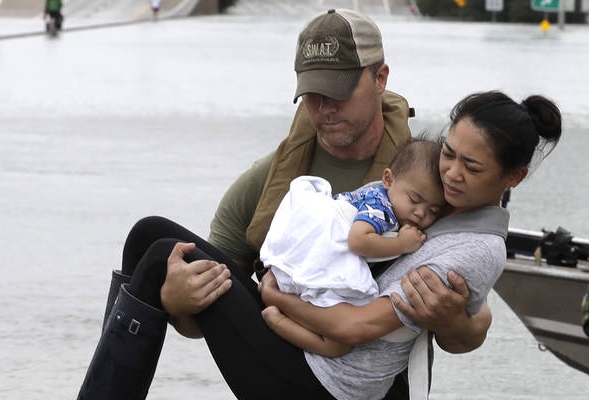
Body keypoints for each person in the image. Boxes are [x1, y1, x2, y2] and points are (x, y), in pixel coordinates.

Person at [77, 9, 525, 399]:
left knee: (154, 250)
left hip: (361, 383)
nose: (325, 107)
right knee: (149, 237)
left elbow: (469, 304)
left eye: (339, 90)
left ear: (380, 78)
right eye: (313, 93)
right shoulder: (269, 181)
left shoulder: (428, 175)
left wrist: (458, 322)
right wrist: (174, 303)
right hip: (283, 348)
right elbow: (211, 312)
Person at [257, 90, 561, 399]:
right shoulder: (425, 187)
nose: (452, 174)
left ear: (515, 176)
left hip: (329, 378)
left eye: (472, 167)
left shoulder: (477, 247)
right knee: (212, 264)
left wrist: (276, 298)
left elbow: (355, 328)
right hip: (309, 336)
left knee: (216, 273)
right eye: (449, 153)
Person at [260, 139, 446, 358]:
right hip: (320, 255)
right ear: (388, 179)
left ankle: (283, 315)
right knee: (337, 345)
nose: (420, 213)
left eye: (433, 210)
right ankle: (278, 320)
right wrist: (402, 244)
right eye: (414, 199)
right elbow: (358, 242)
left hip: (305, 256)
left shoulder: (383, 199)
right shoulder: (380, 207)